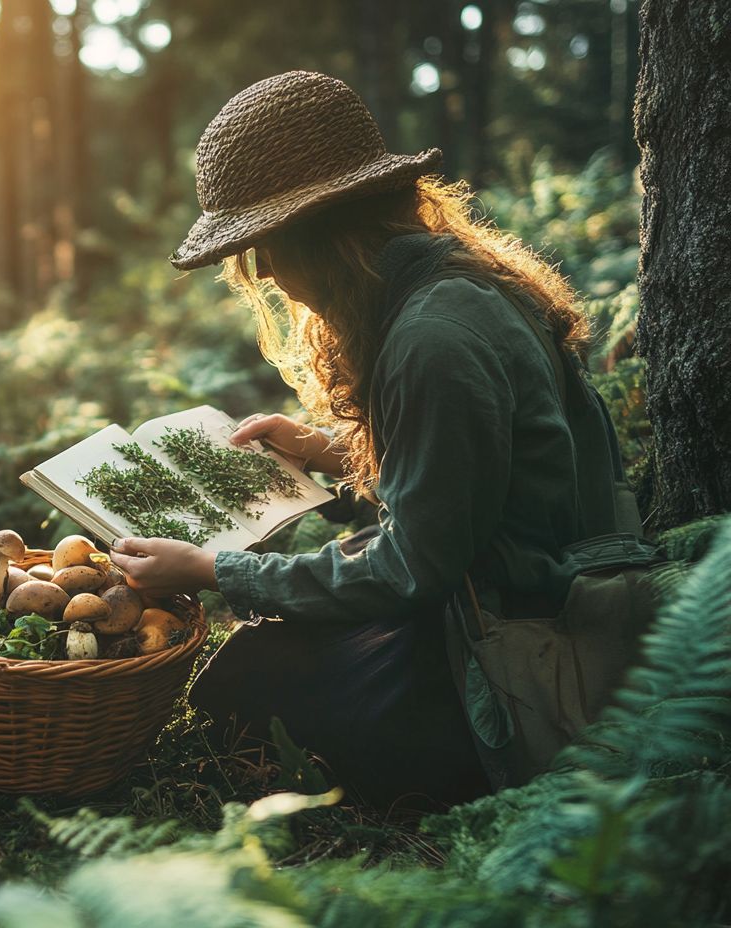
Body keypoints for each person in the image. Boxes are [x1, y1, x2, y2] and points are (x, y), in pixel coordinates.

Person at [106, 71, 632, 809]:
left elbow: (413, 568)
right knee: (264, 654)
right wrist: (329, 453)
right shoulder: (459, 289)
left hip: (513, 646)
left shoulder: (431, 339)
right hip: (514, 595)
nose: (267, 277)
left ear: (318, 235)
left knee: (247, 675)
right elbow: (469, 490)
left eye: (263, 247)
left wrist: (214, 570)